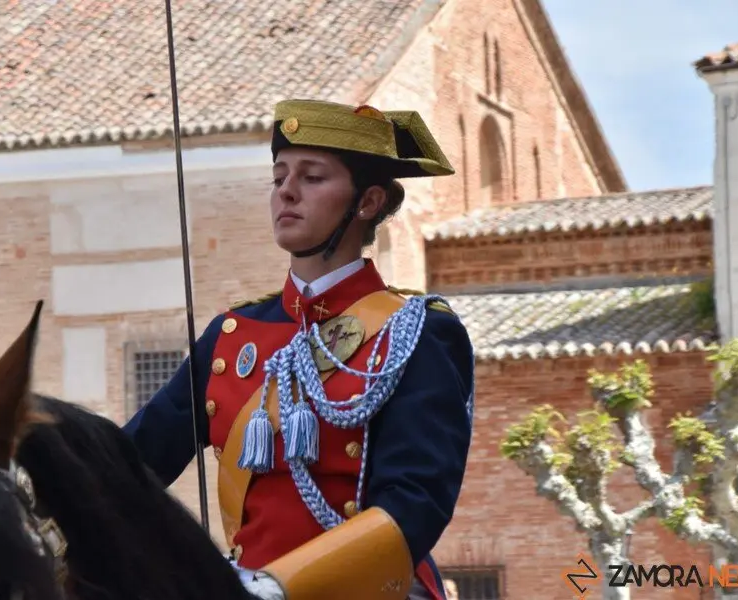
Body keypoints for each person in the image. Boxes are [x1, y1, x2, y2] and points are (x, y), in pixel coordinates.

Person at [123, 99, 475, 600]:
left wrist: (279, 588)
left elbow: (417, 501)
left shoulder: (416, 332)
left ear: (368, 202)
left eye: (312, 178)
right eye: (279, 176)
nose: (286, 191)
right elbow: (132, 462)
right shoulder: (231, 334)